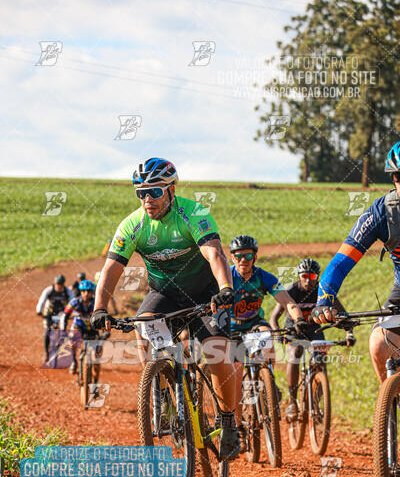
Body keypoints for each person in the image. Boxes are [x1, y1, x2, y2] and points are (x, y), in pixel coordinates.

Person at [90, 157, 239, 460]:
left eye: (154, 192)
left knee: (217, 350)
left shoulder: (193, 213)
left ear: (172, 189)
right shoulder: (133, 224)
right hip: (165, 293)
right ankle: (158, 386)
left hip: (205, 293)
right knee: (143, 323)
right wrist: (99, 308)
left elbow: (215, 254)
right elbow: (111, 269)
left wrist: (226, 288)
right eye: (141, 192)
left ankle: (228, 421)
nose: (147, 199)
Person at [311, 142, 400, 383]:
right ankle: (390, 412)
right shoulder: (382, 213)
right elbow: (340, 262)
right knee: (379, 345)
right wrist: (324, 301)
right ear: (393, 178)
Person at [228, 235, 307, 427]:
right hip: (231, 327)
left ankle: (268, 383)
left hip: (254, 322)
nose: (243, 261)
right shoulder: (227, 276)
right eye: (238, 257)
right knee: (236, 374)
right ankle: (237, 426)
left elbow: (287, 301)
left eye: (247, 256)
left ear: (255, 257)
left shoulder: (264, 277)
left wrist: (298, 319)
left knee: (266, 334)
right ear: (232, 258)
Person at [270, 258, 354, 421]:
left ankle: (316, 403)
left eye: (313, 276)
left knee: (321, 361)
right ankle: (293, 402)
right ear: (299, 276)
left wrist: (349, 333)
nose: (308, 280)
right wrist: (277, 333)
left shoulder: (323, 292)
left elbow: (343, 315)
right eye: (305, 276)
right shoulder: (291, 291)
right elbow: (274, 318)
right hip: (294, 329)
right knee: (295, 354)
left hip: (315, 330)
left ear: (318, 276)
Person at [61, 279, 96, 374]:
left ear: (92, 292)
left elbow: (104, 317)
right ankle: (73, 361)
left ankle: (95, 382)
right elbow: (65, 316)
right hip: (79, 325)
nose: (86, 293)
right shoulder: (74, 302)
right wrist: (63, 330)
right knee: (72, 337)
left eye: (88, 291)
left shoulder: (96, 303)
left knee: (97, 355)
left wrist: (105, 332)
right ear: (80, 292)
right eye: (83, 291)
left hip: (92, 328)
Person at [36, 274, 74, 361]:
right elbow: (42, 300)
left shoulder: (67, 291)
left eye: (61, 284)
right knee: (47, 331)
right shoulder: (49, 290)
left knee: (62, 331)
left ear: (63, 284)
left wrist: (73, 313)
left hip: (61, 313)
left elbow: (72, 302)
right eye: (57, 284)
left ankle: (59, 348)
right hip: (49, 312)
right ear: (54, 283)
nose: (59, 286)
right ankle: (46, 352)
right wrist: (39, 310)